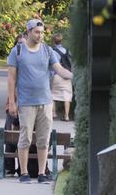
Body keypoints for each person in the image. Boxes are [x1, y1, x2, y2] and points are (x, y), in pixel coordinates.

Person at [6, 19, 73, 184]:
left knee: (44, 139)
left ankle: (42, 173)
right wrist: (12, 102)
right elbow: (11, 79)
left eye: (42, 33)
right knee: (25, 139)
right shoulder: (18, 51)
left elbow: (58, 69)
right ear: (28, 31)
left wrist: (74, 75)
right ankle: (23, 173)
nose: (40, 35)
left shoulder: (47, 50)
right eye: (37, 32)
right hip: (26, 102)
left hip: (45, 102)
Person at [49, 34, 74, 121]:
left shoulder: (52, 51)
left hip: (56, 75)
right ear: (61, 41)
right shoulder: (67, 50)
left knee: (53, 96)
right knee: (67, 96)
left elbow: (51, 64)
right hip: (66, 75)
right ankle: (66, 116)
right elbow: (71, 60)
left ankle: (53, 113)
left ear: (53, 41)